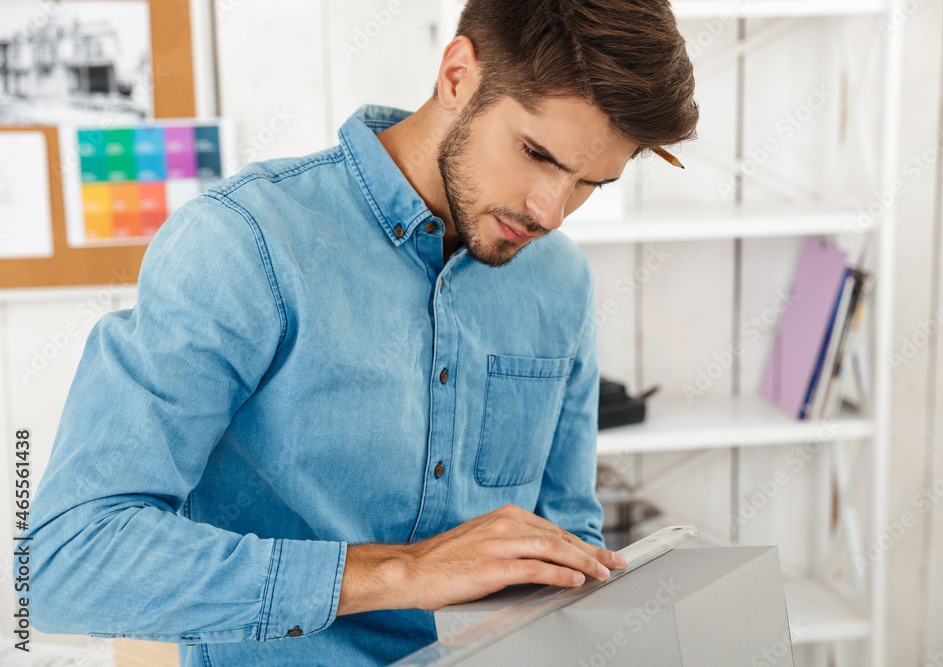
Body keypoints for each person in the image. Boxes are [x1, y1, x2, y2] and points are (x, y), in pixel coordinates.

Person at [25, 0, 697, 664]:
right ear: (458, 76)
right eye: (536, 154)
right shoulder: (244, 244)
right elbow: (68, 560)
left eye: (590, 183)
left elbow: (565, 534)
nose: (551, 209)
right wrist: (401, 570)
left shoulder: (558, 279)